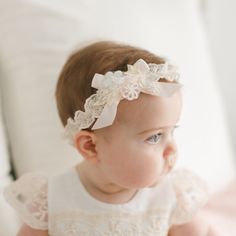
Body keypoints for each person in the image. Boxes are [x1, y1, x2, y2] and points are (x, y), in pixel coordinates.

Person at [4, 41, 211, 236]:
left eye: (171, 131)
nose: (172, 149)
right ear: (91, 147)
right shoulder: (52, 200)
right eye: (155, 137)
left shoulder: (170, 197)